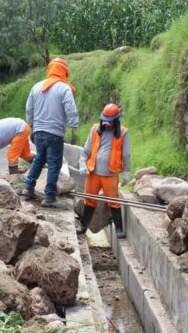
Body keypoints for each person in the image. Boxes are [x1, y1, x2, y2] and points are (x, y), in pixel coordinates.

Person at [22, 57, 80, 206]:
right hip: (54, 133)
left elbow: (29, 108)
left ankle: (28, 187)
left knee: (40, 158)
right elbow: (70, 108)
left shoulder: (37, 87)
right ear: (64, 71)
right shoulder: (63, 88)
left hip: (38, 132)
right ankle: (49, 197)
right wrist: (74, 125)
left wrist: (31, 123)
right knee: (54, 164)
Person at [77, 104, 131, 238]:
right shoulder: (95, 129)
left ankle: (119, 229)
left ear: (116, 121)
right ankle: (83, 226)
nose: (106, 125)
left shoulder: (123, 133)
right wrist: (82, 165)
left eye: (109, 122)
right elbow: (86, 151)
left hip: (110, 174)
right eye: (105, 121)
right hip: (93, 172)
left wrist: (126, 172)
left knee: (113, 201)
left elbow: (126, 155)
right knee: (89, 199)